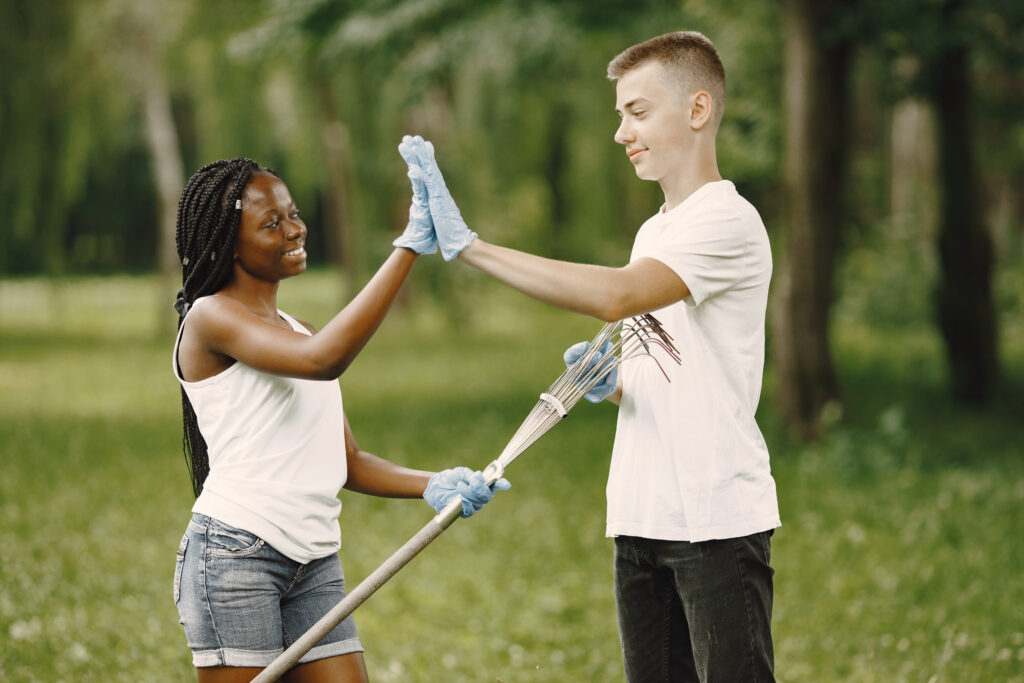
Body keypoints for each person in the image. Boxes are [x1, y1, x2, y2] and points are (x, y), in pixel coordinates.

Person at [401, 30, 778, 682]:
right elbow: (673, 368)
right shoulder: (654, 231)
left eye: (637, 111)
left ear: (697, 109)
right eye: (618, 115)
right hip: (640, 518)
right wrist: (614, 386)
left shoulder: (728, 220)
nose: (620, 132)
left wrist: (472, 249)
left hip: (714, 523)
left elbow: (617, 295)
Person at [171, 157, 508, 682]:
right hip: (237, 557)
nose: (295, 228)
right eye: (271, 223)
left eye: (294, 213)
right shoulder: (210, 317)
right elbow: (324, 359)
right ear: (229, 243)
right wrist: (408, 249)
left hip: (314, 561)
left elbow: (344, 460)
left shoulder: (298, 331)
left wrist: (434, 484)